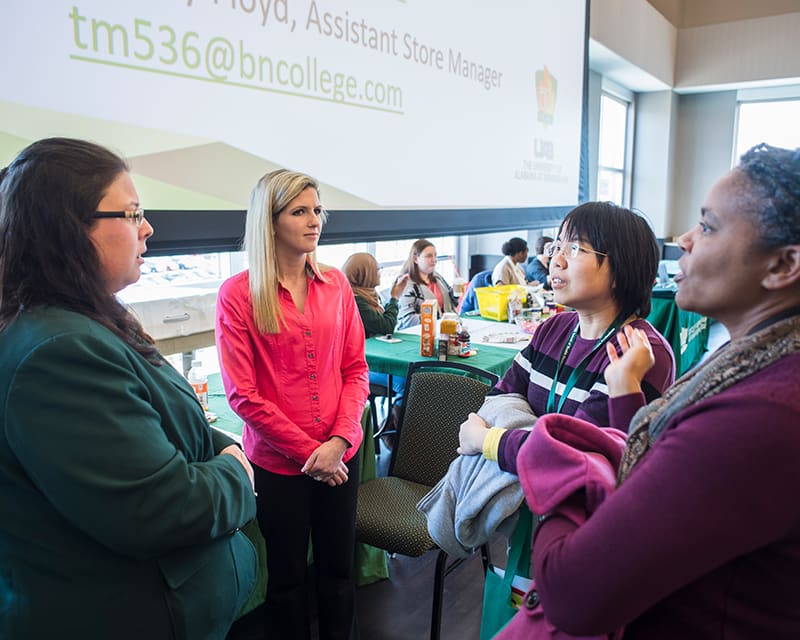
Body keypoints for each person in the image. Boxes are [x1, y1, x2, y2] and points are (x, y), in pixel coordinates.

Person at [503, 144, 800, 639]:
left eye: (707, 226)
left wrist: (560, 462)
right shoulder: (754, 368)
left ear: (782, 266)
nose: (683, 240)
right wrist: (620, 404)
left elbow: (571, 592)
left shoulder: (758, 417)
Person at [0, 138, 257, 640]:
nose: (149, 227)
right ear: (70, 229)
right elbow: (159, 509)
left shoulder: (86, 323)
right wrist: (237, 473)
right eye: (132, 212)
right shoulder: (57, 353)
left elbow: (173, 428)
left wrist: (221, 448)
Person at [215, 169, 368, 640]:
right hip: (279, 467)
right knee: (286, 581)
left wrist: (339, 441)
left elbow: (354, 370)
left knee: (340, 573)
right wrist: (309, 453)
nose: (314, 221)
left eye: (317, 210)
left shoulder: (338, 285)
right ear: (270, 220)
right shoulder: (238, 294)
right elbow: (243, 395)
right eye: (300, 211)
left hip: (340, 454)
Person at [459, 202, 676, 460]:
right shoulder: (553, 328)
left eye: (574, 248)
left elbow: (575, 457)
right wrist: (533, 441)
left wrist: (487, 440)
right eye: (557, 247)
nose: (556, 260)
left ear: (620, 268)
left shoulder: (640, 352)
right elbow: (498, 398)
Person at [342, 252, 408, 402]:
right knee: (409, 382)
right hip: (364, 367)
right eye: (377, 269)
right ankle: (399, 422)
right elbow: (386, 326)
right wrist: (395, 298)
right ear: (366, 274)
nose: (379, 272)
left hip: (371, 361)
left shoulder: (367, 296)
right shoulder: (356, 301)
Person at [396, 238, 458, 329]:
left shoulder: (438, 278)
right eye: (429, 256)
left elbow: (453, 305)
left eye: (435, 255)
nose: (434, 260)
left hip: (446, 329)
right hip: (419, 334)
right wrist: (438, 319)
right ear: (415, 259)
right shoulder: (406, 284)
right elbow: (406, 320)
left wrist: (456, 293)